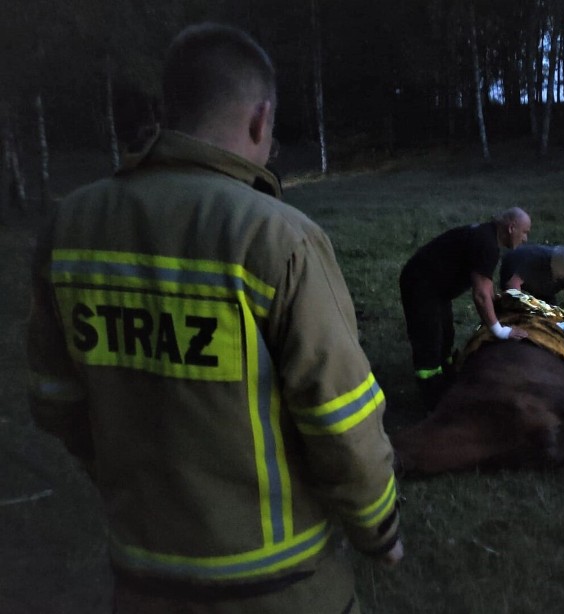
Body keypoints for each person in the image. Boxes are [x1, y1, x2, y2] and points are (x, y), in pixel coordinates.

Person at [27, 23, 401, 614]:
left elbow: (54, 399)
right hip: (281, 586)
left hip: (140, 576)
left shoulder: (68, 227)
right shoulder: (278, 238)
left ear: (170, 107)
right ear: (260, 120)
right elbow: (342, 419)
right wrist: (378, 529)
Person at [399, 207, 532, 409]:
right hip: (421, 285)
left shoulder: (489, 238)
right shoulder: (486, 243)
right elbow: (480, 295)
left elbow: (485, 283)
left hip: (437, 289)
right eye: (525, 232)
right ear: (512, 228)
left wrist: (497, 301)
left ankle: (445, 381)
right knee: (429, 341)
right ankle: (432, 400)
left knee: (446, 335)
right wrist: (500, 330)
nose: (526, 239)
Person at [500, 243, 564, 312]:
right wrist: (519, 309)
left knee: (549, 312)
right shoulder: (536, 260)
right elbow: (513, 284)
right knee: (509, 307)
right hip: (514, 266)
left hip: (542, 283)